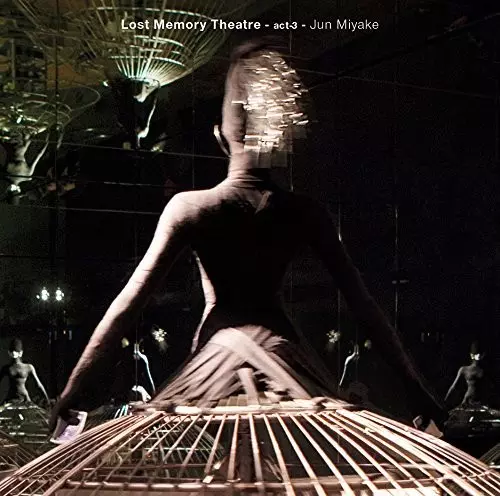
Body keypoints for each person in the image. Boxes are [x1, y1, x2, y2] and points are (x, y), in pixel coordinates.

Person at [50, 39, 444, 429]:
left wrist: (74, 390)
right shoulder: (304, 212)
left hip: (212, 368)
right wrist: (417, 391)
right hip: (288, 366)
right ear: (280, 143)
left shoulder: (192, 208)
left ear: (220, 137)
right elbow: (365, 308)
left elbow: (128, 306)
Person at [0, 338, 49, 404]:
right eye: (12, 351)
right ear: (9, 353)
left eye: (16, 351)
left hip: (25, 398)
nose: (14, 353)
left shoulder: (28, 367)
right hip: (11, 398)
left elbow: (39, 385)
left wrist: (47, 399)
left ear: (21, 352)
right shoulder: (6, 368)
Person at [445, 343, 487, 408]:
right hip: (467, 402)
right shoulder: (464, 369)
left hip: (479, 403)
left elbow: (487, 389)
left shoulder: (483, 371)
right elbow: (453, 387)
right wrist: (445, 400)